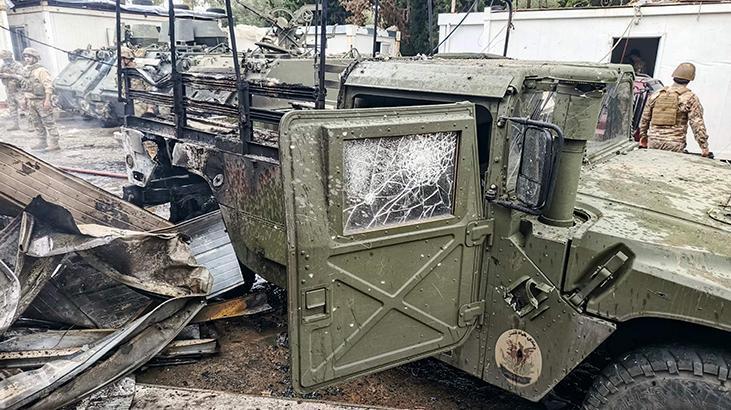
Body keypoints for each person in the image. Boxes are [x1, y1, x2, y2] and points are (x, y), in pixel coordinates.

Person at [638, 62, 710, 157]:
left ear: (674, 77)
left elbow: (645, 118)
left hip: (654, 142)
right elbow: (697, 124)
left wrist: (643, 137)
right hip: (674, 144)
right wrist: (704, 147)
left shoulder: (657, 94)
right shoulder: (690, 98)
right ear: (690, 79)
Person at [20, 47, 61, 151]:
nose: (27, 58)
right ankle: (42, 142)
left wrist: (47, 100)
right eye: (25, 56)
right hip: (30, 101)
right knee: (36, 122)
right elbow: (25, 86)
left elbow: (48, 86)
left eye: (29, 56)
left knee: (49, 122)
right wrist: (24, 100)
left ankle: (54, 143)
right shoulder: (25, 70)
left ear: (35, 58)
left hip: (41, 100)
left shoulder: (41, 70)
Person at [0, 50, 25, 131]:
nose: (5, 61)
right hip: (9, 89)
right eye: (4, 59)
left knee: (24, 106)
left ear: (10, 57)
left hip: (18, 90)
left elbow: (22, 77)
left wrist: (9, 75)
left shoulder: (18, 65)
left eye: (6, 59)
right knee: (12, 107)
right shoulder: (3, 66)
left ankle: (32, 124)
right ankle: (15, 125)